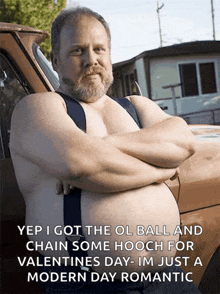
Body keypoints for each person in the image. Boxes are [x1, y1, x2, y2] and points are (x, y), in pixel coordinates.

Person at [9, 7, 200, 294]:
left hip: (169, 280)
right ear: (56, 60)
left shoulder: (137, 106)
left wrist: (106, 145)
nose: (91, 60)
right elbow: (82, 164)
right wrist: (165, 168)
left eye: (99, 49)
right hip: (88, 284)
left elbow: (184, 142)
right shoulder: (38, 107)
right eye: (77, 51)